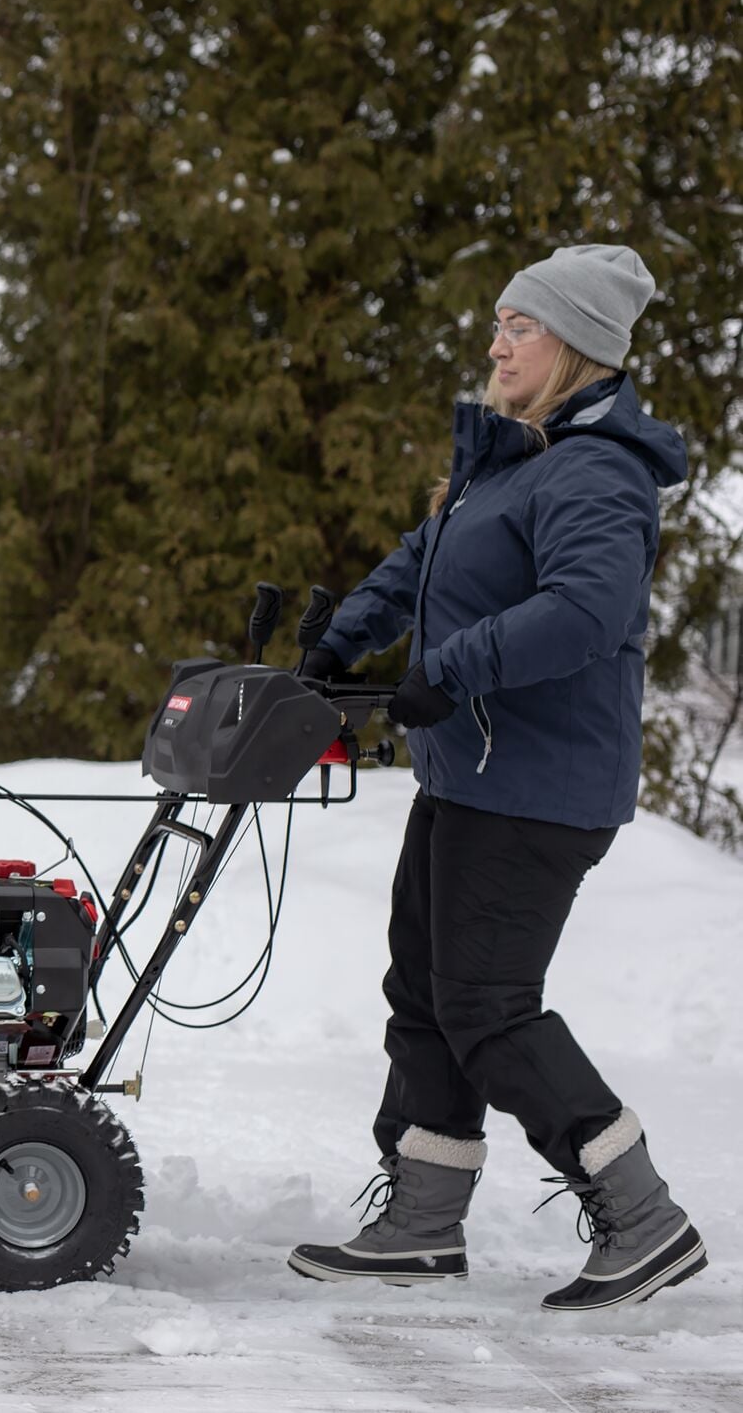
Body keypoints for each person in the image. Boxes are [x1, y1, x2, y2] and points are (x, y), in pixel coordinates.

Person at [286, 244, 704, 1312]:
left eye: (519, 325)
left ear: (574, 346)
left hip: (541, 790)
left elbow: (584, 614)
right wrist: (337, 641)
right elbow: (420, 565)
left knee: (486, 1004)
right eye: (500, 322)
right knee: (426, 994)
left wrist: (449, 670)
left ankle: (642, 1215)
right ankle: (423, 1220)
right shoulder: (512, 462)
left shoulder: (596, 473)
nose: (497, 341)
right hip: (471, 774)